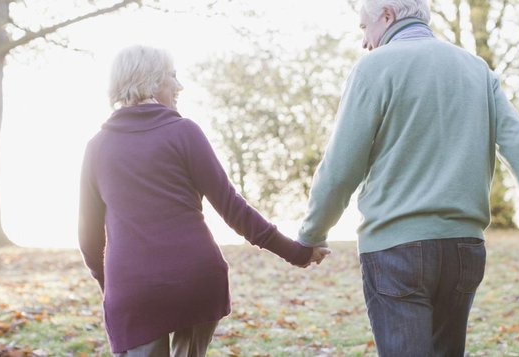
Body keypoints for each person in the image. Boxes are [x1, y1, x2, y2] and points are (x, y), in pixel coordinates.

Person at [298, 0, 519, 356]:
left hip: (394, 250)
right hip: (463, 250)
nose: (364, 42)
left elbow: (340, 168)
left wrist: (312, 235)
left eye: (363, 27)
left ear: (388, 16)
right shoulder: (478, 70)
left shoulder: (373, 69)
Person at [78, 45, 330, 357]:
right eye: (172, 77)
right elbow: (233, 208)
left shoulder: (97, 148)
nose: (179, 86)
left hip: (135, 291)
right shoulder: (184, 132)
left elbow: (89, 241)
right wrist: (296, 252)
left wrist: (113, 286)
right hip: (195, 281)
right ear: (151, 81)